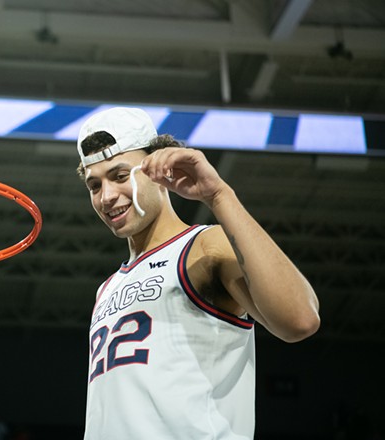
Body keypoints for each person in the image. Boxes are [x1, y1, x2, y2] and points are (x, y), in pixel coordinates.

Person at [76, 107, 320, 440]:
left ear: (157, 168)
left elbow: (300, 320)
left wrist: (219, 195)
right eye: (94, 185)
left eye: (120, 176)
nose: (106, 196)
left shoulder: (203, 246)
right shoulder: (106, 288)